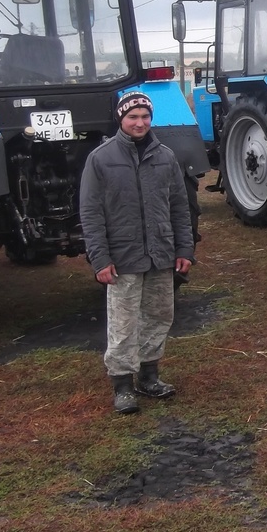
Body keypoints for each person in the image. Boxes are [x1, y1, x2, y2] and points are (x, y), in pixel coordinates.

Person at [80, 91, 194, 414]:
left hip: (160, 254)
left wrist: (184, 248)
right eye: (133, 117)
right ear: (121, 118)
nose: (140, 123)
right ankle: (122, 386)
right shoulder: (100, 159)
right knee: (124, 322)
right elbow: (90, 213)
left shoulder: (166, 157)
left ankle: (149, 376)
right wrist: (100, 258)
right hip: (123, 257)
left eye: (145, 117)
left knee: (159, 316)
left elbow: (179, 207)